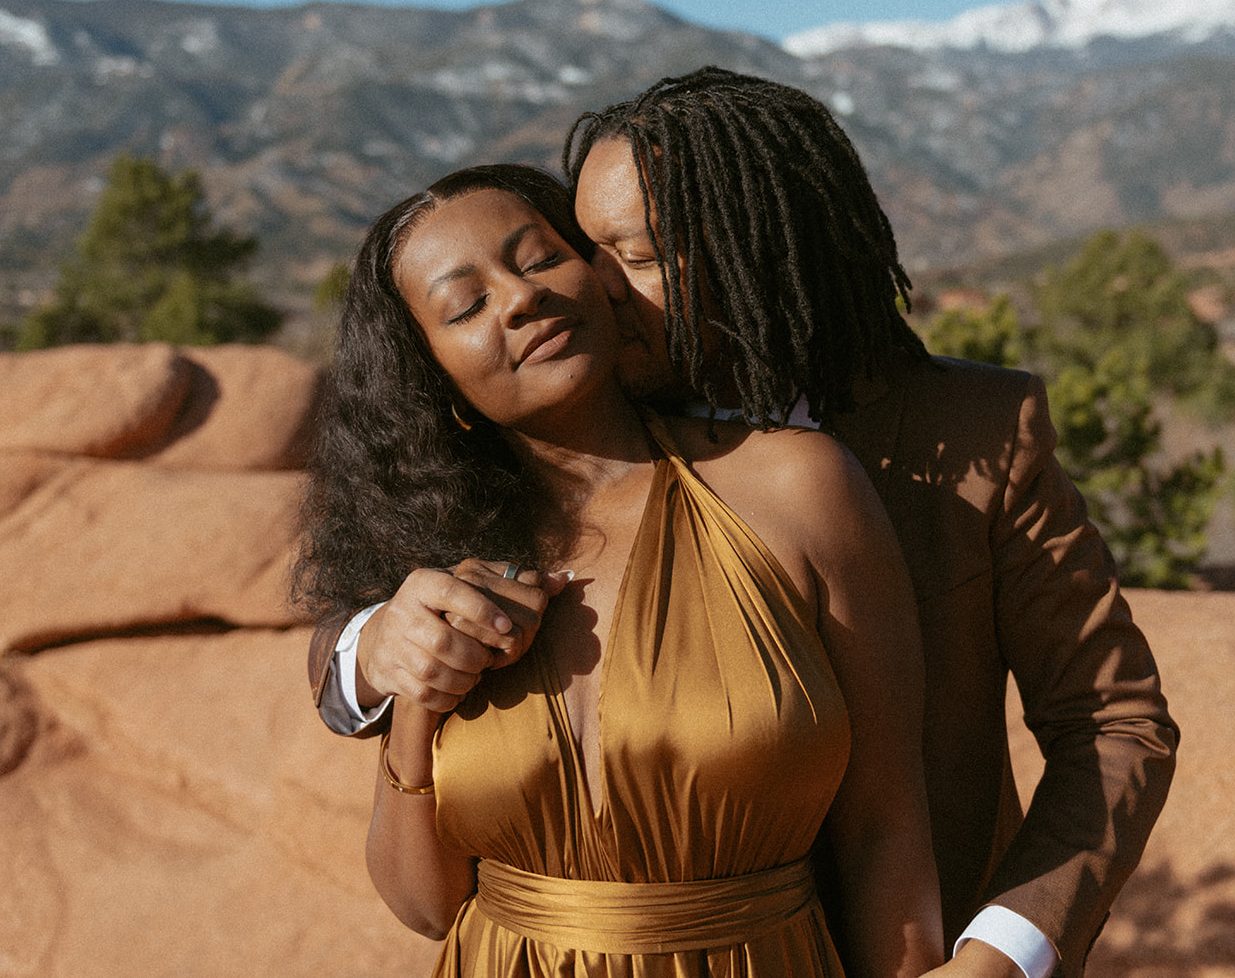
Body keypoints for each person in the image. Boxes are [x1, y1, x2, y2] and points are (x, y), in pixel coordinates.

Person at [308, 70, 1180, 978]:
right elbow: (365, 615)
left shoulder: (970, 432)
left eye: (637, 257)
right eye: (585, 249)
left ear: (760, 250)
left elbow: (1112, 724)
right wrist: (379, 648)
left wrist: (1003, 954)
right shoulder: (533, 458)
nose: (589, 291)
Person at [294, 163, 950, 976]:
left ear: (601, 282)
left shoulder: (798, 487)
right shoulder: (443, 570)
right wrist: (418, 706)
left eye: (537, 259)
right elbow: (425, 907)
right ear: (438, 383)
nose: (519, 297)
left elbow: (887, 830)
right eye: (465, 305)